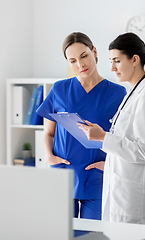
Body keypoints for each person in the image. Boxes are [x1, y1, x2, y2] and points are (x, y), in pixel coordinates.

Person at [36, 32, 126, 221]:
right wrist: (48, 156)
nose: (80, 65)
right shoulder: (59, 89)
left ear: (94, 52)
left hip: (97, 176)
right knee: (61, 233)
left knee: (92, 234)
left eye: (84, 56)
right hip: (63, 174)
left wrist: (109, 164)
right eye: (73, 61)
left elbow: (123, 138)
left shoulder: (118, 93)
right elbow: (49, 133)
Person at [78, 32, 145, 226]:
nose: (112, 68)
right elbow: (126, 140)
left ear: (134, 59)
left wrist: (103, 137)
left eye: (117, 61)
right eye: (110, 61)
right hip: (123, 194)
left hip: (135, 201)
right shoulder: (133, 92)